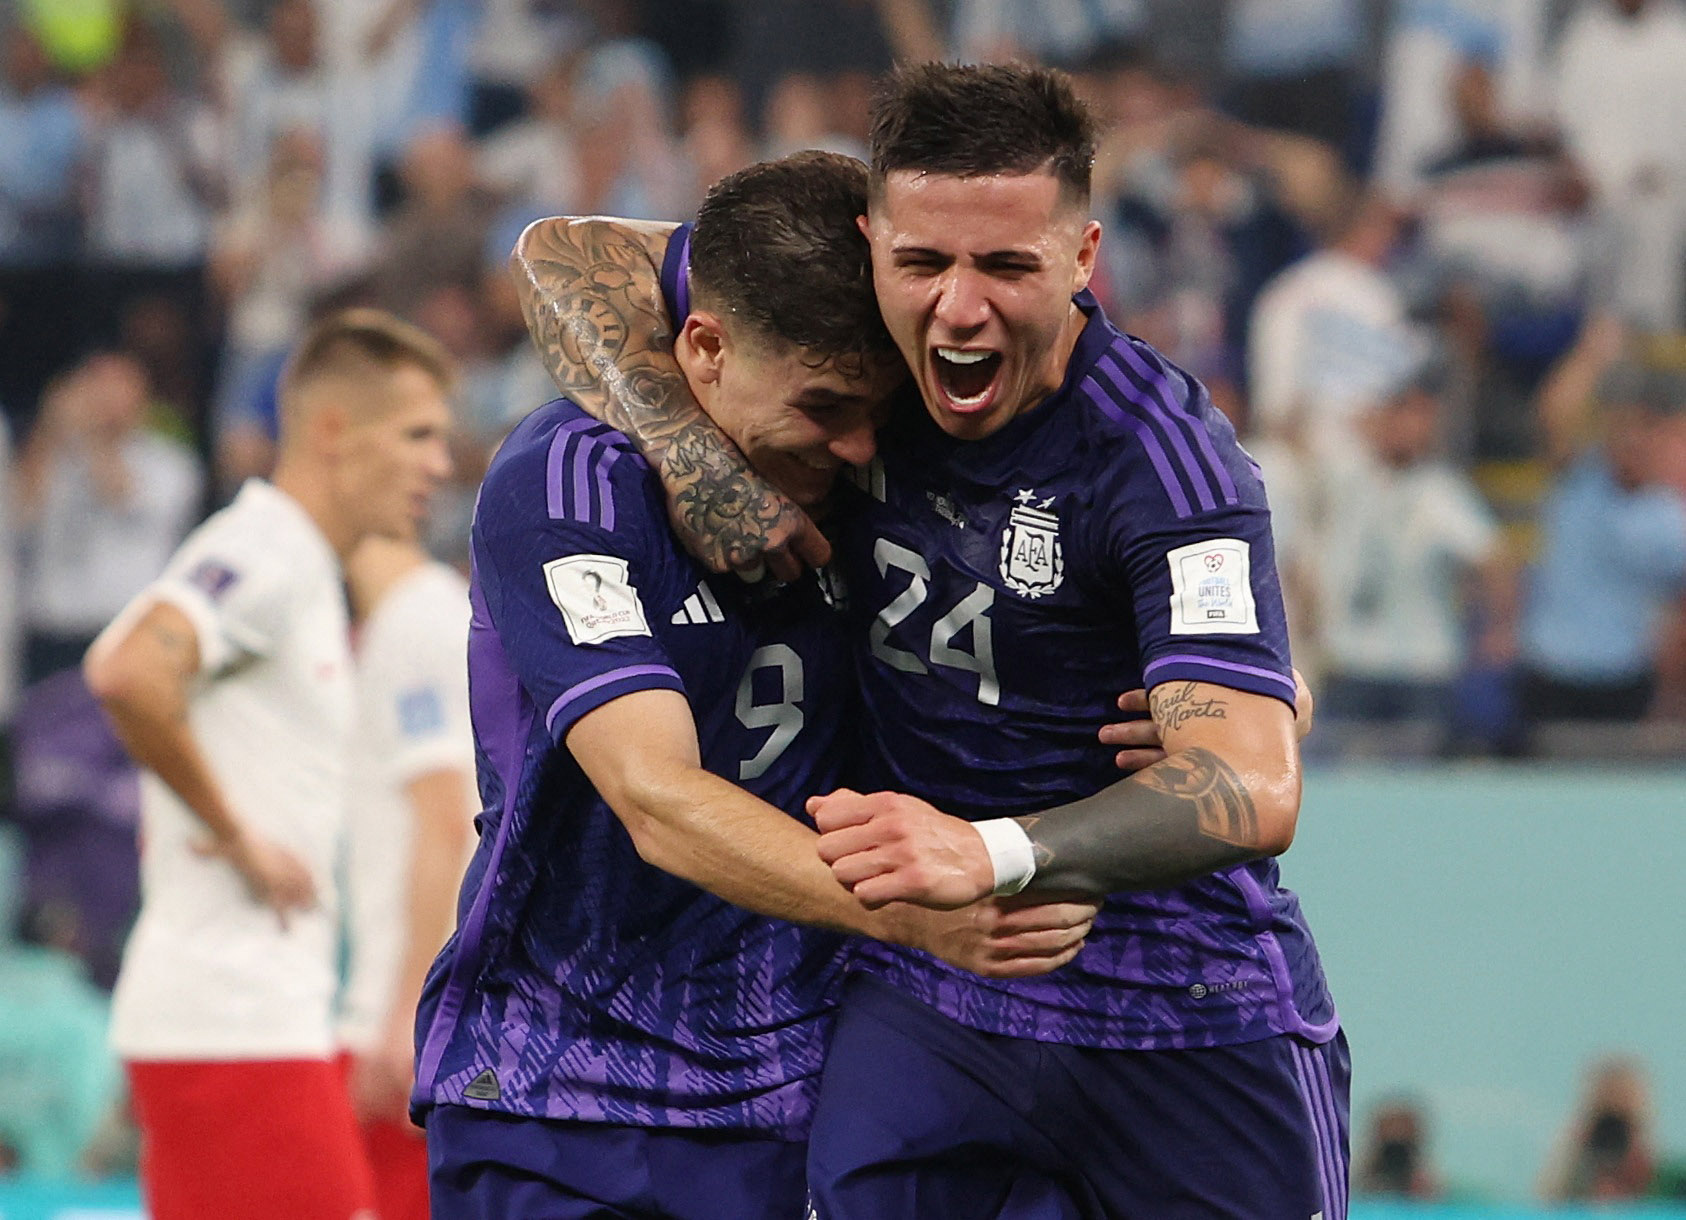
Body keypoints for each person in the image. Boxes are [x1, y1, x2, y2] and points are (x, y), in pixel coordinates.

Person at [525, 64, 1344, 1220]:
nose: (959, 308)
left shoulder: (1165, 461)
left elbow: (1256, 784)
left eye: (1007, 266)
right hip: (929, 997)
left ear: (1083, 257)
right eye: (923, 264)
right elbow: (563, 251)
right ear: (871, 245)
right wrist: (697, 458)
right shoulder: (863, 357)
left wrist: (995, 851)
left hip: (1184, 1002)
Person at [415, 151, 1097, 1220]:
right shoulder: (565, 485)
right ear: (705, 347)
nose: (860, 442)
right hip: (559, 1096)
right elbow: (656, 798)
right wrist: (918, 920)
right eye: (824, 406)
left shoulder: (888, 468)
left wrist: (1237, 696)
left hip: (801, 1097)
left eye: (875, 407)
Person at [83, 309, 456, 1220]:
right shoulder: (268, 550)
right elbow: (128, 671)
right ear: (333, 432)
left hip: (240, 1019)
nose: (440, 467)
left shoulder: (301, 570)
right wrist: (238, 837)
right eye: (417, 435)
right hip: (235, 1022)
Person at [338, 533, 477, 1220]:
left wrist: (407, 1013)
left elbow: (444, 819)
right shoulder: (447, 611)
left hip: (406, 1006)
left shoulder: (408, 626)